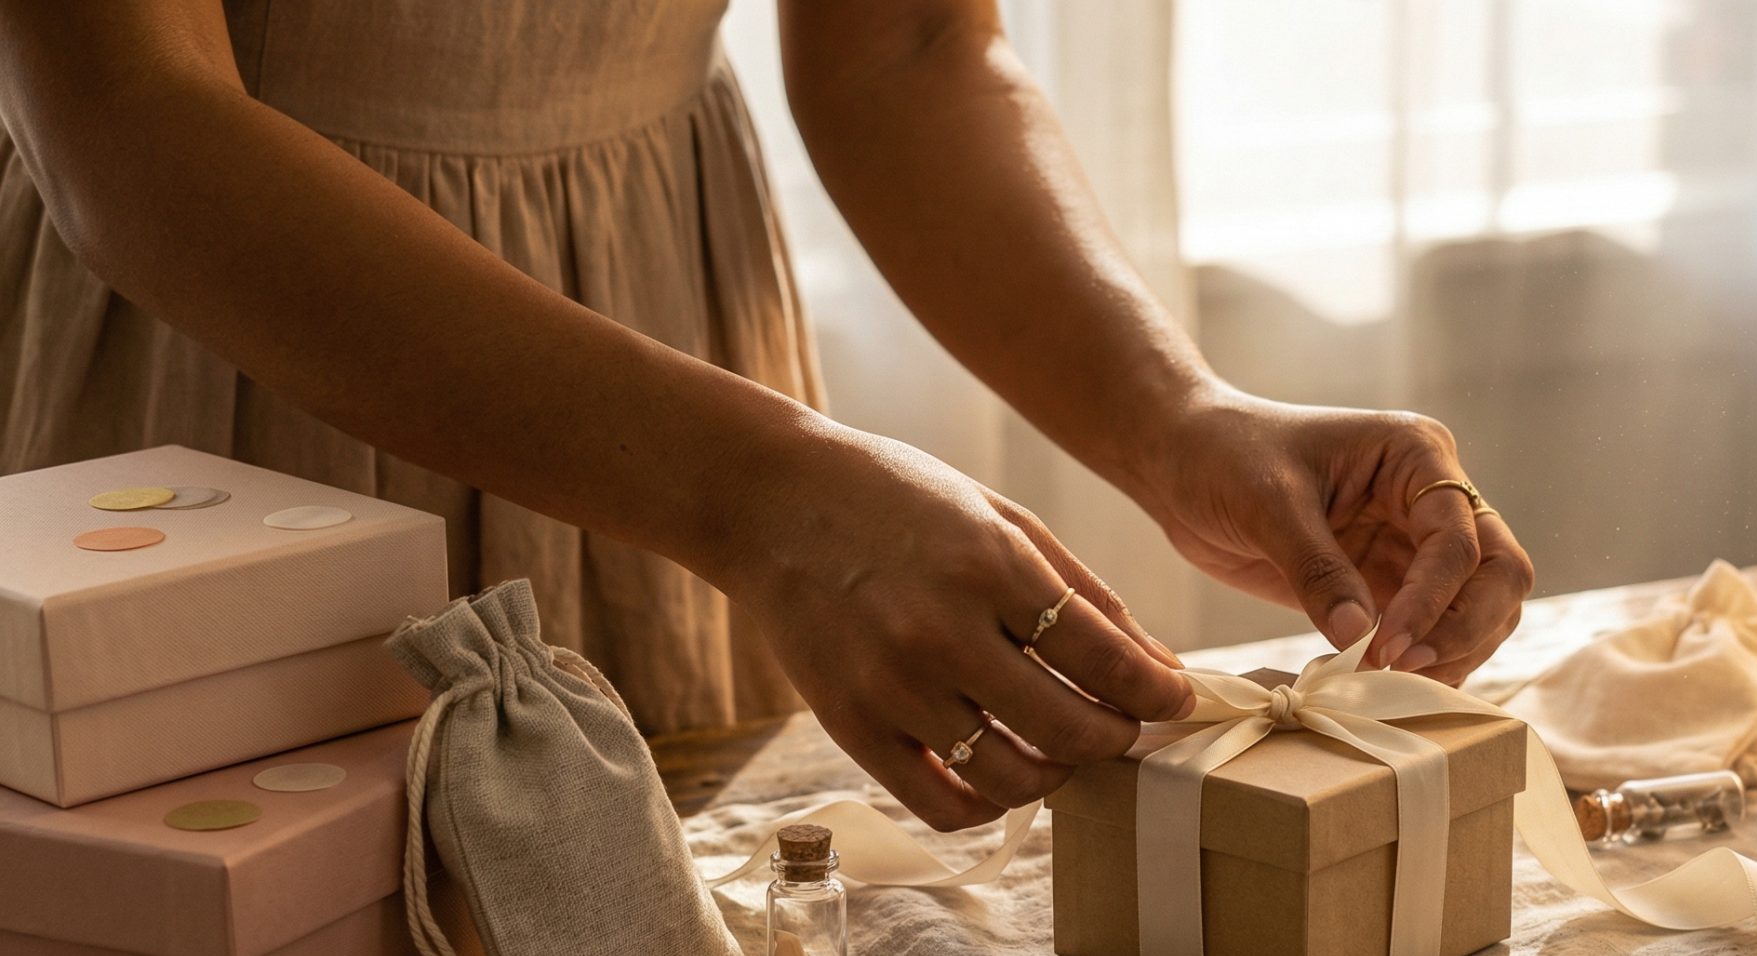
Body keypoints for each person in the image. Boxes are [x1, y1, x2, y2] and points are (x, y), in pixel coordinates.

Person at [0, 0, 1533, 831]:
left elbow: (906, 48)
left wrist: (1181, 418)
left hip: (670, 340)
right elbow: (134, 120)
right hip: (233, 385)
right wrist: (763, 498)